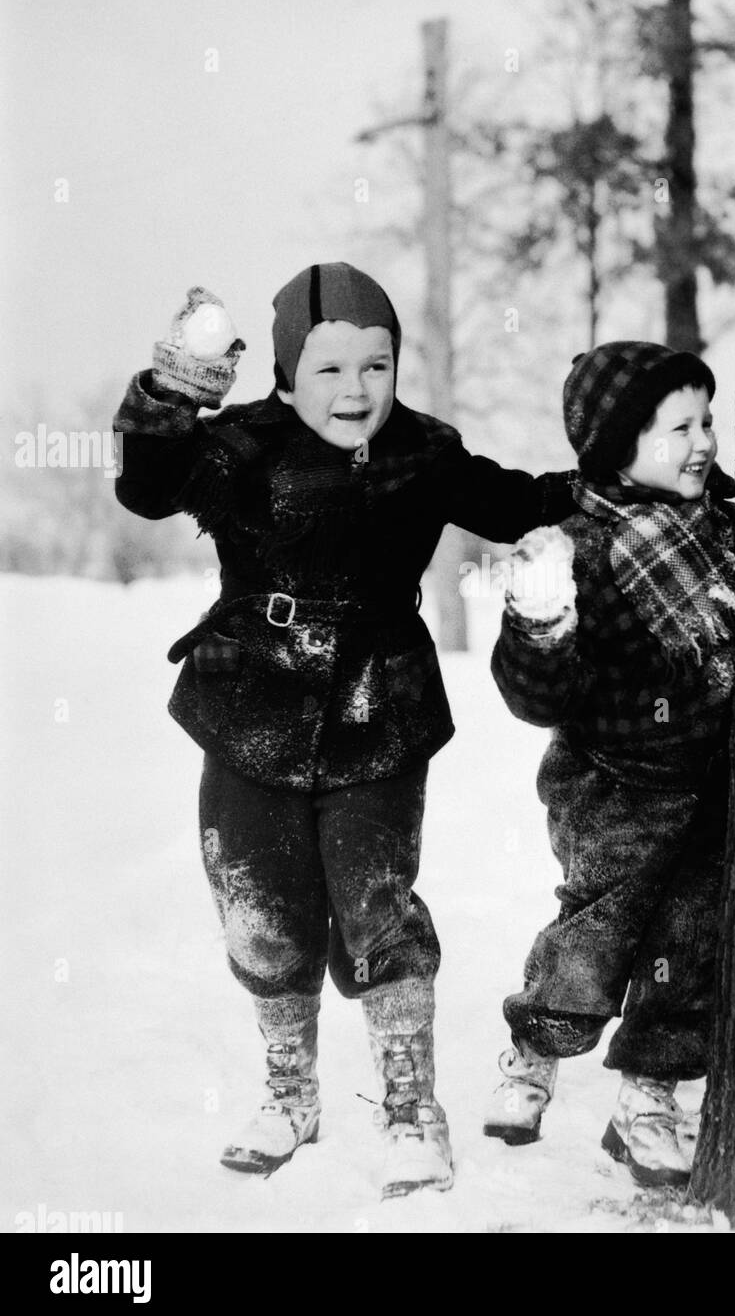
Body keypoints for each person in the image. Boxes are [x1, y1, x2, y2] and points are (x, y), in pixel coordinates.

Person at [113, 263, 574, 1198]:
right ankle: (290, 1094)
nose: (356, 390)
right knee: (259, 907)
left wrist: (622, 478)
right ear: (285, 375)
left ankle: (412, 1108)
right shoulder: (240, 443)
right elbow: (149, 487)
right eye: (329, 370)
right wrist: (169, 392)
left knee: (378, 902)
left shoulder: (423, 451)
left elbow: (514, 500)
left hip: (379, 709)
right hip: (249, 706)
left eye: (376, 365)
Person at [484, 341, 735, 1186]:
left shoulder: (728, 527)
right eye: (679, 428)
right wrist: (540, 624)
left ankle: (650, 1096)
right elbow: (536, 697)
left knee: (690, 940)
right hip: (614, 785)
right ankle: (536, 1043)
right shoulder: (576, 549)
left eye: (707, 420)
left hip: (708, 784)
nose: (703, 441)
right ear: (618, 444)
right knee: (599, 930)